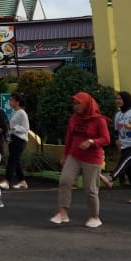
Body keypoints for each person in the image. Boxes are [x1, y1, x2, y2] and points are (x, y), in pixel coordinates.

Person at [50, 92, 110, 228]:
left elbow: (106, 139)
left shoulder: (99, 120)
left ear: (87, 104)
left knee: (90, 189)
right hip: (74, 155)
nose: (76, 106)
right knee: (65, 181)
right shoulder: (74, 119)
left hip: (92, 158)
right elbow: (69, 138)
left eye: (78, 103)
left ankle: (94, 216)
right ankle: (63, 212)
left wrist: (91, 142)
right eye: (74, 104)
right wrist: (64, 155)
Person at [101, 91, 131, 203]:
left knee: (125, 159)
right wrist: (117, 140)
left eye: (120, 99)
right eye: (116, 98)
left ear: (126, 100)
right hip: (126, 145)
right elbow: (116, 130)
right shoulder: (118, 115)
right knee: (130, 172)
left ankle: (111, 178)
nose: (118, 101)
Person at [3, 93, 29, 190]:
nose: (9, 102)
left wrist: (14, 128)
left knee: (12, 160)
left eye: (12, 100)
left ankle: (6, 181)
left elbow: (26, 128)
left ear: (17, 102)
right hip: (13, 139)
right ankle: (22, 181)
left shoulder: (22, 113)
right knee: (16, 161)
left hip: (20, 140)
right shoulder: (14, 112)